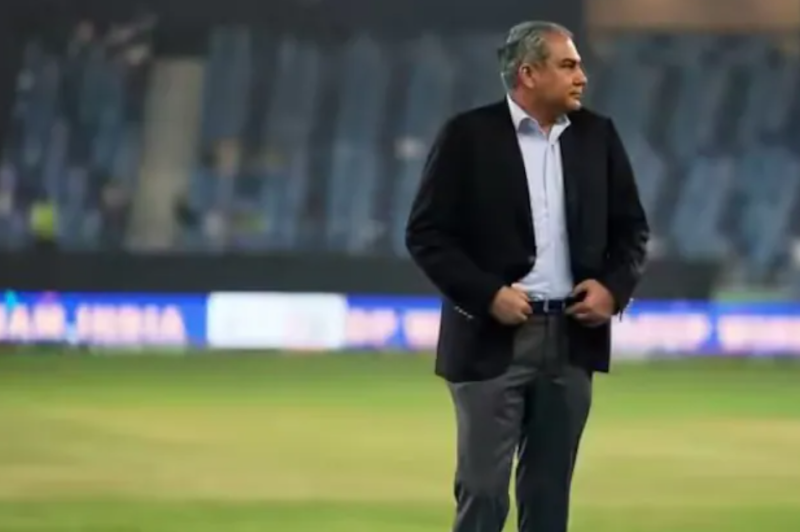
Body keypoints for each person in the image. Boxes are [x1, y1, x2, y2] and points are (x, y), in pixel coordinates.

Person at [404, 21, 650, 532]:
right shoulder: (467, 137)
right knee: (483, 492)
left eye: (579, 65)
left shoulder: (597, 136)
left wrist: (613, 289)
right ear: (529, 73)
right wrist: (487, 295)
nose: (582, 76)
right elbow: (426, 235)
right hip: (490, 339)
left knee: (548, 497)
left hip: (571, 339)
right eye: (568, 65)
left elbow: (632, 230)